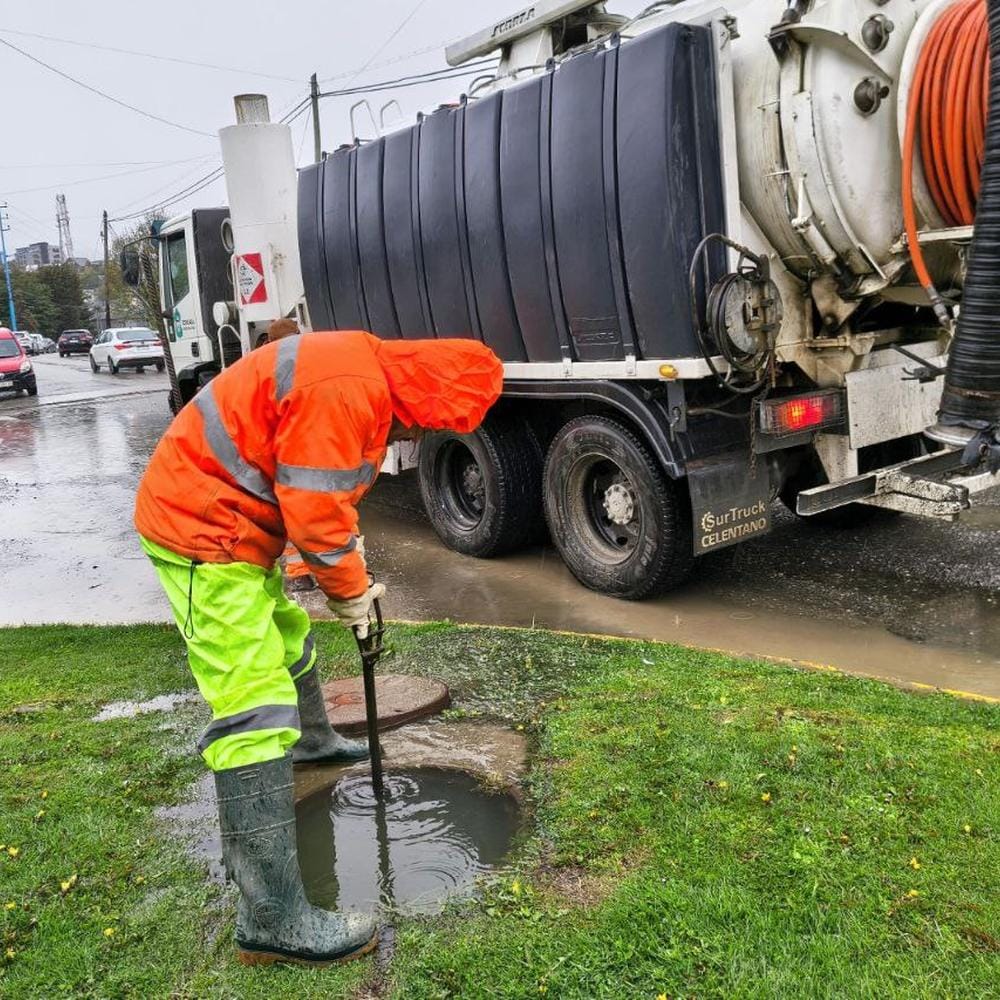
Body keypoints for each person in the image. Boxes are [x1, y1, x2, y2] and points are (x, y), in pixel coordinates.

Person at [134, 328, 502, 967]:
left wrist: (348, 550)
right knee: (253, 705)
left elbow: (324, 492)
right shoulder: (348, 392)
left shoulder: (364, 375)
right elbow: (315, 518)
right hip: (202, 531)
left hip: (237, 525)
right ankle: (271, 919)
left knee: (288, 637)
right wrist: (351, 592)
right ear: (424, 398)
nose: (419, 434)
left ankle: (312, 742)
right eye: (427, 423)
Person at [265, 319, 318, 595]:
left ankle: (299, 576)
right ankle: (341, 572)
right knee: (326, 510)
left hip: (286, 455)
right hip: (313, 452)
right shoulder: (311, 361)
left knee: (290, 514)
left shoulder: (266, 367)